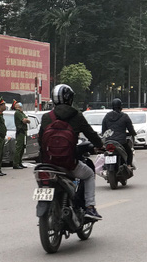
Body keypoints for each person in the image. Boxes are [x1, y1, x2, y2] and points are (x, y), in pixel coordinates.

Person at [39, 84, 104, 220]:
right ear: (70, 99)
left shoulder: (46, 117)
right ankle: (90, 207)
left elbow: (40, 140)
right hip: (68, 163)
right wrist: (100, 146)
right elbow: (91, 134)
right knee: (89, 174)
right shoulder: (76, 115)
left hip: (48, 164)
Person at [101, 98, 136, 170]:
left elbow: (103, 130)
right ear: (121, 107)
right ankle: (129, 165)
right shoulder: (125, 116)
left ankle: (105, 167)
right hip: (121, 142)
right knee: (129, 152)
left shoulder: (107, 116)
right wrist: (133, 133)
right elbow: (130, 129)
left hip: (109, 141)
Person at [12, 100, 30, 169]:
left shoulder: (21, 112)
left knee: (22, 148)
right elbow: (24, 120)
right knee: (19, 148)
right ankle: (16, 163)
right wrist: (26, 120)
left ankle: (19, 162)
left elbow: (27, 119)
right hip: (20, 132)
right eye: (18, 104)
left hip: (23, 132)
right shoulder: (17, 113)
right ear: (16, 106)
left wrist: (26, 120)